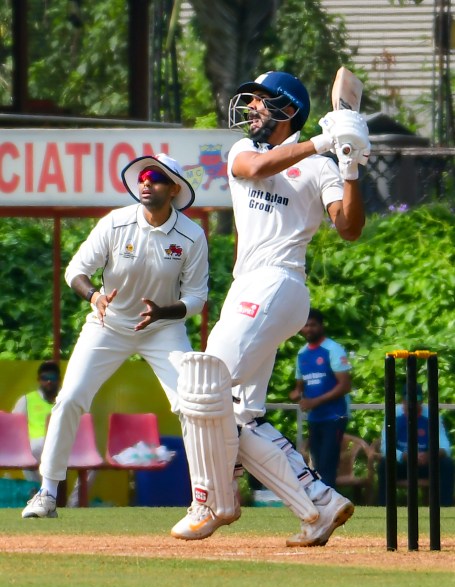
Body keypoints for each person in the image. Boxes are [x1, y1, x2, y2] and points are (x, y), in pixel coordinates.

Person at [171, 70, 370, 546]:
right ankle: (318, 505)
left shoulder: (321, 165)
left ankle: (211, 501)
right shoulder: (245, 150)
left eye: (262, 101)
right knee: (240, 414)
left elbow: (349, 227)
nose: (252, 108)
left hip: (280, 282)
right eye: (253, 100)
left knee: (202, 382)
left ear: (287, 111)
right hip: (248, 288)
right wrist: (325, 141)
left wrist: (350, 164)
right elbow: (253, 172)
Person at [21, 153, 208, 518]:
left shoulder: (192, 235)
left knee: (191, 406)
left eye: (154, 177)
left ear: (173, 188)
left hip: (164, 329)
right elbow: (76, 270)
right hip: (108, 324)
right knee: (70, 397)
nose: (145, 182)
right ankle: (46, 493)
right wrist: (94, 295)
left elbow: (197, 298)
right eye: (142, 177)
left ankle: (205, 497)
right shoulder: (116, 223)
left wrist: (163, 312)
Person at [13, 360, 96, 507]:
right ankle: (41, 496)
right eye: (45, 378)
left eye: (53, 377)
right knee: (28, 453)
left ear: (59, 379)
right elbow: (14, 426)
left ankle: (73, 504)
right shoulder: (27, 400)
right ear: (39, 380)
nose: (49, 381)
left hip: (66, 444)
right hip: (38, 445)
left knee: (92, 465)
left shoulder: (68, 400)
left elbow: (81, 425)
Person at [289, 308, 352, 489]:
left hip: (335, 416)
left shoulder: (332, 349)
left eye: (313, 325)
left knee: (327, 463)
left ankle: (332, 505)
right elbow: (300, 386)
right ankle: (325, 503)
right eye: (305, 326)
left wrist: (315, 401)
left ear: (321, 326)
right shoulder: (302, 354)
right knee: (317, 463)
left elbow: (345, 385)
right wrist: (296, 394)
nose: (309, 329)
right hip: (315, 417)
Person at [378, 384, 454, 506]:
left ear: (422, 401)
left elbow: (445, 446)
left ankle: (445, 506)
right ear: (403, 400)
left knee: (447, 464)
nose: (412, 405)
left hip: (425, 463)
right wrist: (404, 456)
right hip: (403, 464)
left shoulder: (432, 415)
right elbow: (385, 447)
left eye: (417, 401)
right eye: (408, 401)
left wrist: (430, 455)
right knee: (384, 465)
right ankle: (384, 506)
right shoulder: (393, 414)